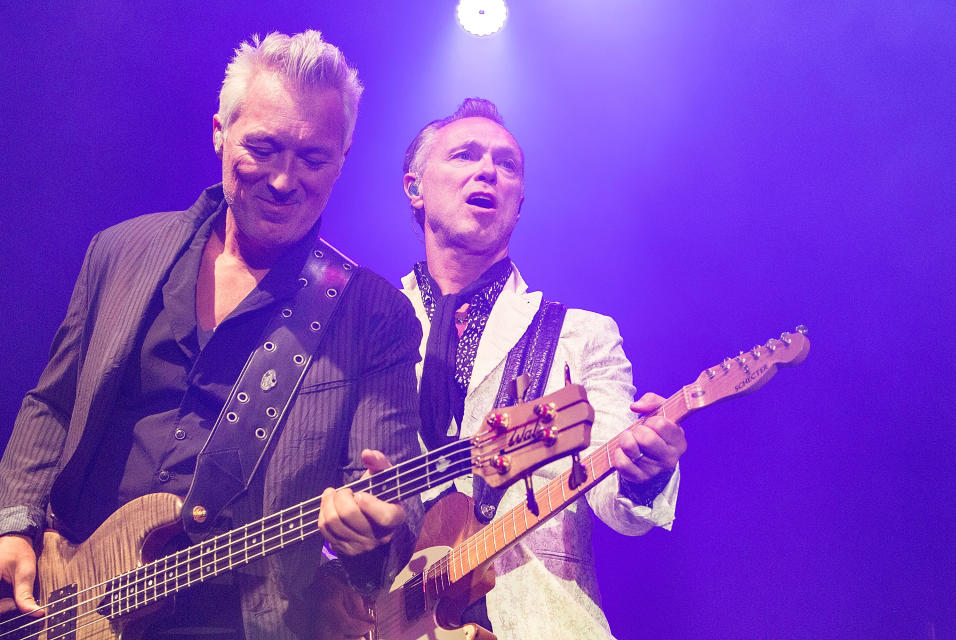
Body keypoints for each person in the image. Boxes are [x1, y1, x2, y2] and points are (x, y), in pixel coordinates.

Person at [0, 31, 423, 640]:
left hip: (243, 617)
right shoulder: (120, 251)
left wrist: (373, 530)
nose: (283, 180)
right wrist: (16, 522)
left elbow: (391, 492)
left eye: (313, 159)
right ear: (220, 132)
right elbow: (53, 403)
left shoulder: (374, 314)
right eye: (263, 148)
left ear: (343, 158)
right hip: (69, 596)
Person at [395, 98, 687, 639]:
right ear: (415, 187)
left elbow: (617, 506)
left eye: (507, 165)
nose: (488, 171)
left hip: (541, 620)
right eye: (465, 155)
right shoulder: (370, 327)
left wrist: (646, 471)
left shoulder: (583, 335)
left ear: (519, 202)